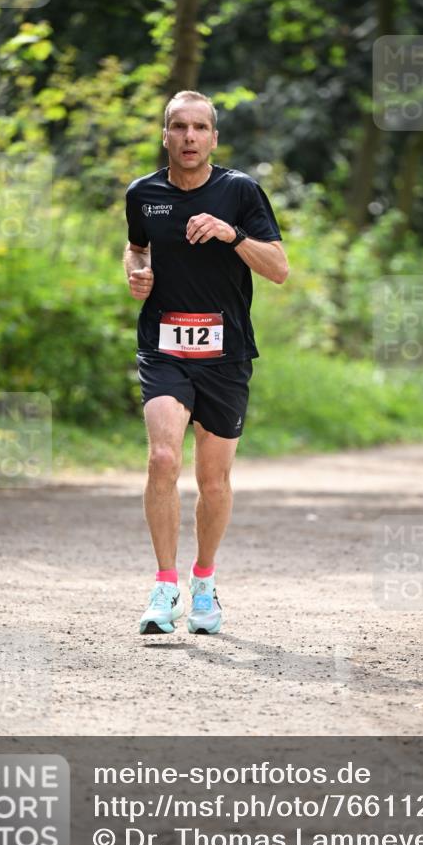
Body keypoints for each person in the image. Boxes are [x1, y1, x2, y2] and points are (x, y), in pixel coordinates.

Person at [124, 90, 288, 635]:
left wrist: (231, 233)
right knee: (163, 459)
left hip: (226, 353)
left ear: (214, 138)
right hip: (164, 344)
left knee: (213, 482)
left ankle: (203, 584)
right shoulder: (142, 194)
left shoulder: (239, 192)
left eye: (199, 128)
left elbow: (279, 268)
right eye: (179, 127)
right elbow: (137, 246)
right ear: (165, 134)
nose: (189, 137)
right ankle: (164, 586)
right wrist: (137, 271)